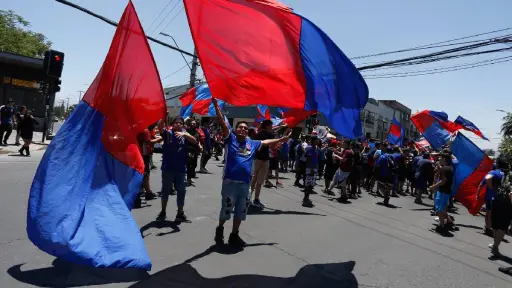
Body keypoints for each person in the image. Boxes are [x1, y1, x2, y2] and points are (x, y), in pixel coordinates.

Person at [212, 98, 289, 248]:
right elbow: (222, 122)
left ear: (248, 131)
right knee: (226, 209)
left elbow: (266, 142)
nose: (242, 129)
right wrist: (216, 107)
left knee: (241, 211)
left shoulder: (252, 143)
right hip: (230, 183)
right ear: (235, 129)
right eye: (240, 127)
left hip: (245, 184)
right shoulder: (230, 139)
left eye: (245, 128)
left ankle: (234, 234)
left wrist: (282, 138)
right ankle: (220, 228)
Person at [156, 116, 198, 223]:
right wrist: (162, 116)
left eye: (181, 123)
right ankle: (163, 211)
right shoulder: (168, 133)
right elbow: (160, 127)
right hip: (168, 169)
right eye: (176, 123)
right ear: (173, 124)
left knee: (181, 192)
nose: (178, 124)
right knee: (165, 192)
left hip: (181, 169)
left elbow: (195, 141)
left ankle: (180, 213)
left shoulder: (184, 135)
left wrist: (185, 134)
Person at [250, 120, 274, 207]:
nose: (272, 127)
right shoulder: (261, 134)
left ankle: (256, 199)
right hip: (258, 159)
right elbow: (270, 143)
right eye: (271, 126)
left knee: (259, 181)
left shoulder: (268, 134)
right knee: (254, 180)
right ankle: (249, 197)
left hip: (265, 159)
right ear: (267, 126)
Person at [428, 153, 454, 234]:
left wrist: (433, 186)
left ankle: (441, 226)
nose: (439, 160)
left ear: (444, 160)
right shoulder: (448, 168)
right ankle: (449, 222)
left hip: (444, 191)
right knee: (440, 207)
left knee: (440, 209)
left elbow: (443, 181)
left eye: (441, 158)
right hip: (443, 191)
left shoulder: (445, 169)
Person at [137, 124, 162, 201]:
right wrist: (160, 139)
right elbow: (149, 142)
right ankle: (147, 192)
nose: (155, 125)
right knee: (145, 174)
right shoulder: (144, 130)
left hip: (143, 154)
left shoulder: (146, 130)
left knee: (144, 173)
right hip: (142, 155)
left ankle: (144, 191)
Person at [303, 136, 319, 207]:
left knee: (310, 184)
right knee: (308, 184)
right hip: (310, 168)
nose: (317, 141)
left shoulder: (314, 148)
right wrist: (312, 169)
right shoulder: (310, 148)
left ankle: (306, 198)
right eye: (316, 140)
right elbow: (308, 157)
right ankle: (306, 199)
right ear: (313, 141)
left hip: (313, 168)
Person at [185, 119, 202, 186]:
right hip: (188, 149)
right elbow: (192, 139)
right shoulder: (187, 130)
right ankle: (188, 178)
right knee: (188, 165)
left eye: (194, 123)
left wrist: (200, 145)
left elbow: (197, 140)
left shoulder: (197, 131)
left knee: (194, 165)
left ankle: (190, 177)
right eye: (191, 123)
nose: (192, 124)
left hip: (195, 150)